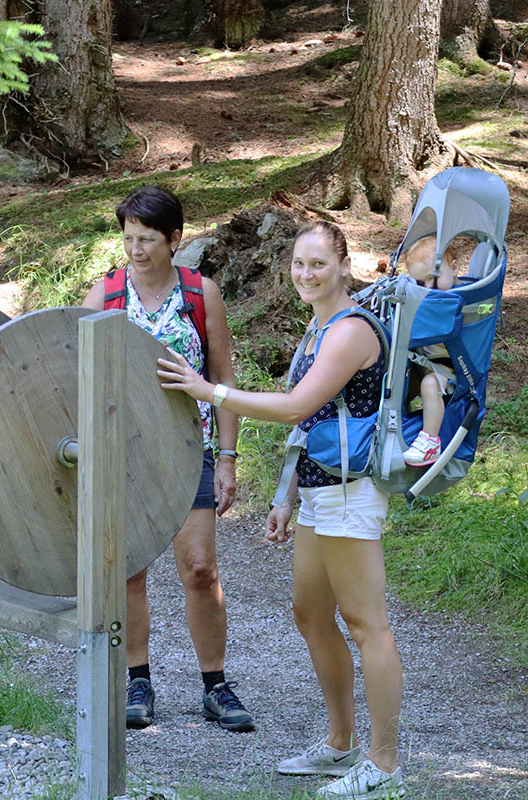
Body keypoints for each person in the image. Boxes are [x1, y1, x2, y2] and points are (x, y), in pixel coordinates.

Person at [158, 221, 407, 799]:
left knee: (369, 625)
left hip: (350, 492)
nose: (305, 273)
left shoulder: (348, 332)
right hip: (320, 492)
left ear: (345, 266)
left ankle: (385, 764)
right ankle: (341, 744)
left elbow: (295, 404)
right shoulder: (318, 328)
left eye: (318, 263)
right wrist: (285, 496)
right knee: (311, 614)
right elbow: (310, 424)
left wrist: (208, 391)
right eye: (298, 263)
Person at [82, 185, 255, 733]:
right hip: (122, 455)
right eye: (129, 237)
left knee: (199, 568)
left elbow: (224, 380)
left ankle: (215, 685)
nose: (136, 249)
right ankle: (138, 680)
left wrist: (228, 459)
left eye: (148, 239)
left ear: (175, 240)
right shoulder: (105, 298)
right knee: (130, 571)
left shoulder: (200, 294)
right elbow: (76, 380)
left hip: (190, 451)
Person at [399, 235, 455, 467]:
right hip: (424, 361)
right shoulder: (424, 298)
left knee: (430, 385)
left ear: (455, 268)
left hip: (452, 367)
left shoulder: (458, 298)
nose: (428, 288)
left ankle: (431, 441)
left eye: (434, 278)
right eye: (420, 283)